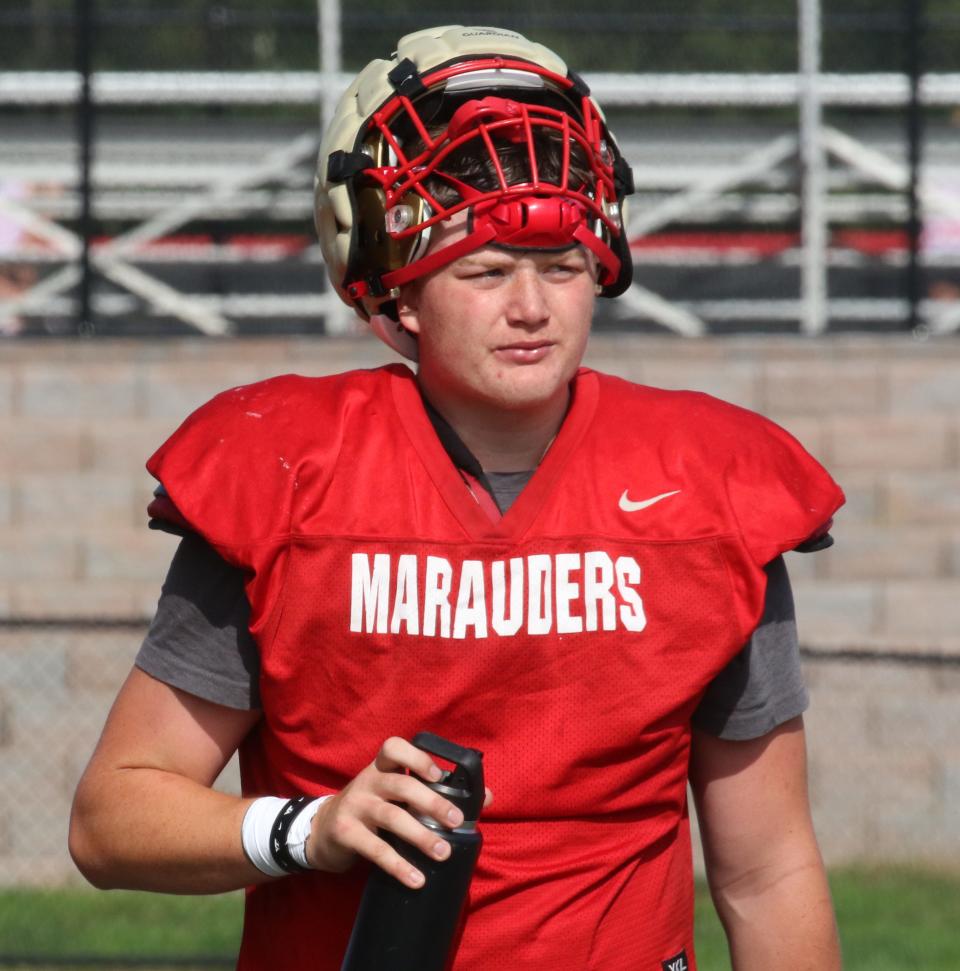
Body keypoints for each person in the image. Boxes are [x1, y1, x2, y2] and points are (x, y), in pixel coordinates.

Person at [70, 24, 844, 971]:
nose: (533, 306)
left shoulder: (710, 482)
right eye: (484, 271)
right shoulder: (288, 476)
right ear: (397, 296)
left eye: (562, 266)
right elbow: (112, 818)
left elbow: (766, 868)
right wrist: (307, 829)